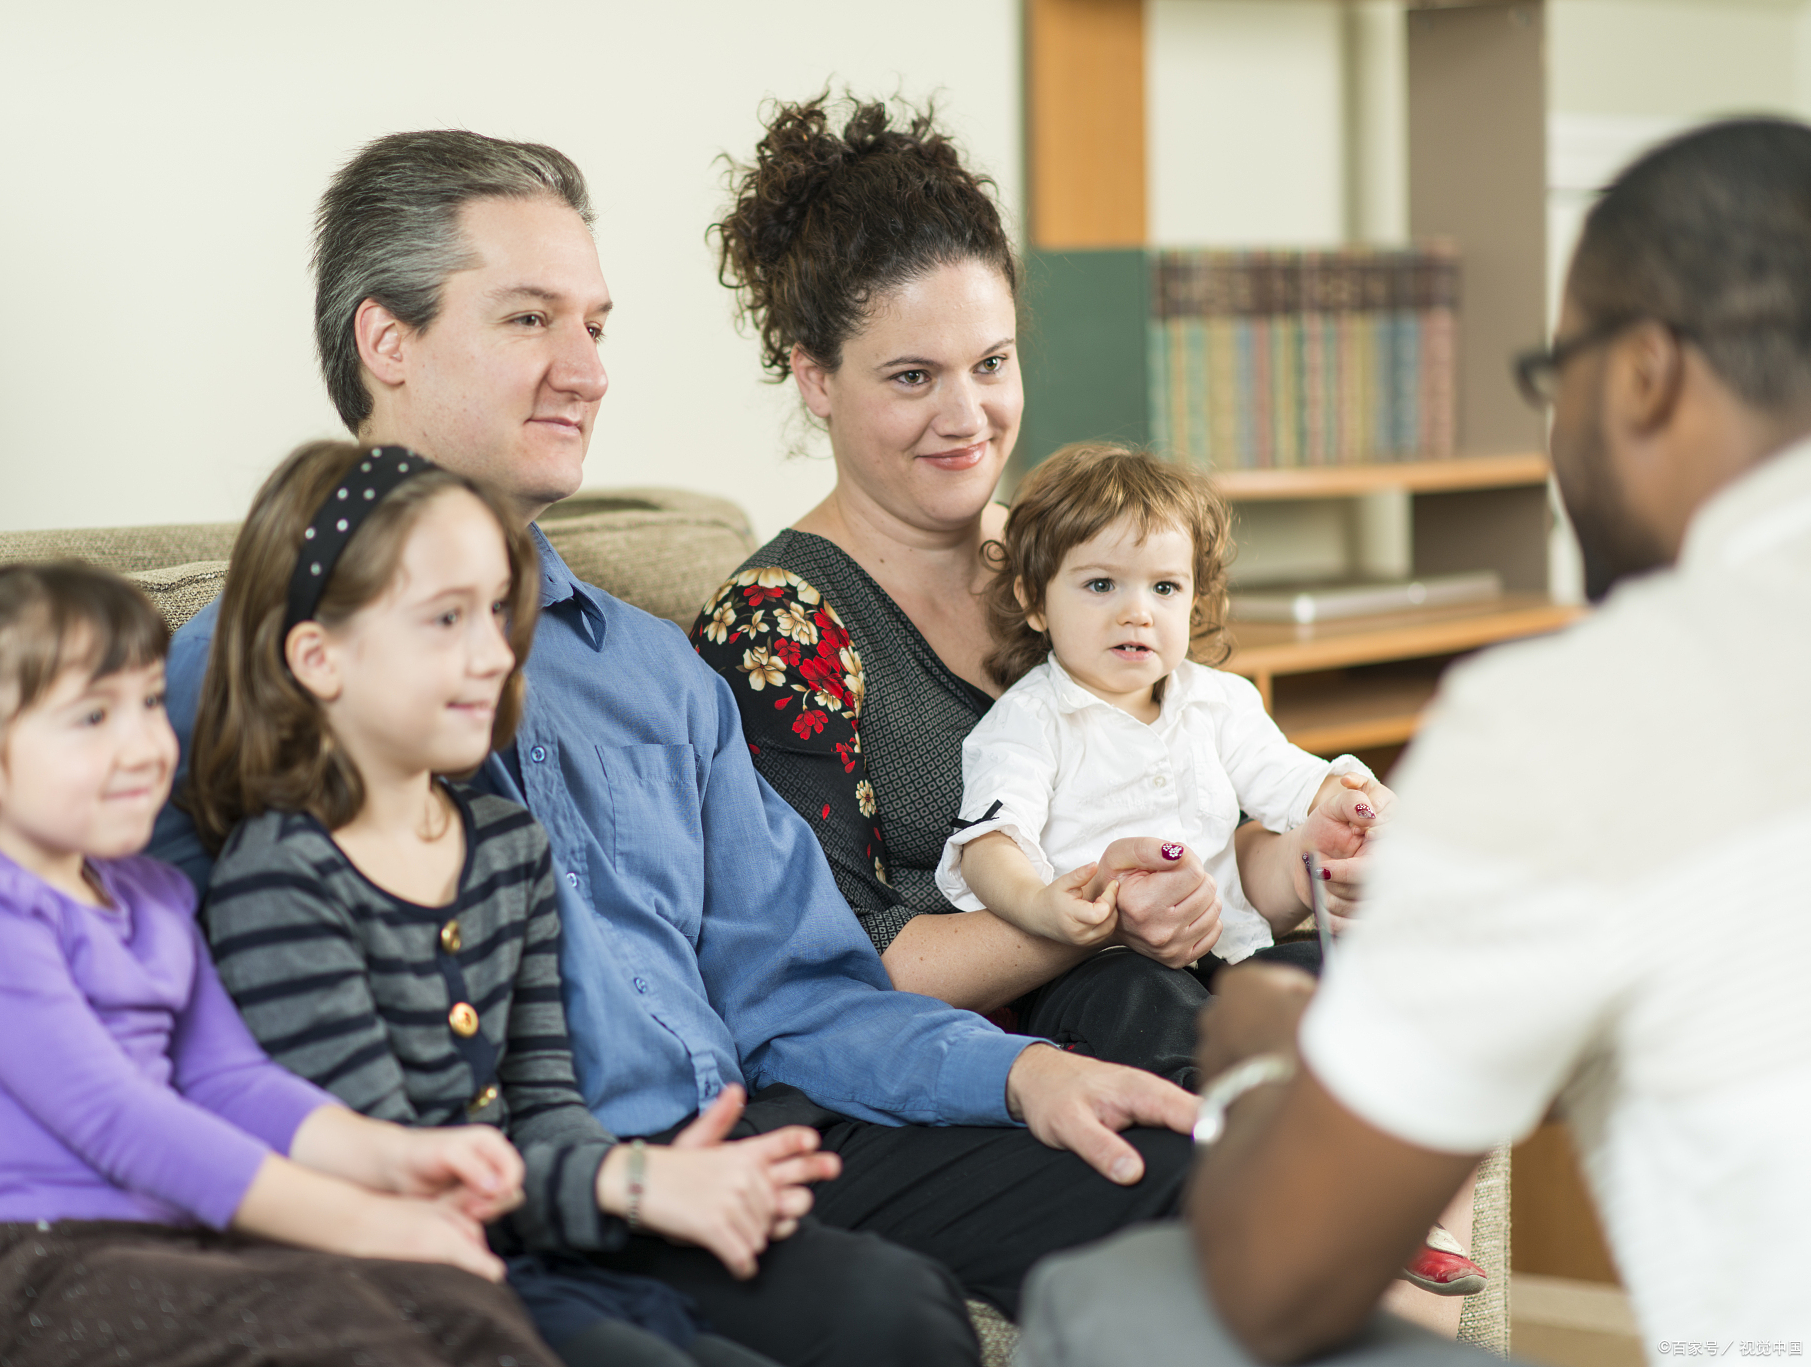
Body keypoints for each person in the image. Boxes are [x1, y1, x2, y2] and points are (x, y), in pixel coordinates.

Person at [150, 127, 1200, 1366]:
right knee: (886, 1317)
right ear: (389, 342)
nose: (585, 369)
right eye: (530, 319)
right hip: (525, 1195)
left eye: (596, 325)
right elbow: (209, 1017)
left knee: (1175, 1163)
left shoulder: (654, 669)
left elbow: (796, 990)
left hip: (755, 1132)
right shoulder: (258, 662)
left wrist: (1021, 1075)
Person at [1016, 117, 1811, 1365]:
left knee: (1112, 1297)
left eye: (1559, 380)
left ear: (1643, 375)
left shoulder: (1578, 711)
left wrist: (1264, 1063)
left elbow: (1282, 1275)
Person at [691, 97, 1350, 1079]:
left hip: (1189, 974)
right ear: (815, 378)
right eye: (912, 376)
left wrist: (1315, 861)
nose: (967, 416)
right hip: (996, 1050)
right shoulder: (777, 629)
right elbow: (838, 959)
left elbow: (1215, 798)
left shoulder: (1081, 561)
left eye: (990, 363)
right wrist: (1102, 914)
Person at [0, 557, 559, 1367]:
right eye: (91, 717)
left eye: (147, 700)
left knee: (459, 1303)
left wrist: (395, 1155)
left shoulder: (153, 893)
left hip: (169, 1242)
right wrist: (367, 1219)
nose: (145, 744)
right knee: (342, 1325)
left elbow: (229, 1081)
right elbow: (118, 1119)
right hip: (15, 1261)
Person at [186, 438, 815, 1367]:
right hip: (392, 1284)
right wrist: (631, 1181)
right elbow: (404, 1163)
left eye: (496, 612)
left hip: (530, 1251)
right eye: (446, 620)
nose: (495, 654)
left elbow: (544, 1105)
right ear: (317, 658)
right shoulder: (279, 880)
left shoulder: (503, 846)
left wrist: (639, 1178)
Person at [937, 442, 1388, 972]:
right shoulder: (1030, 719)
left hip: (1233, 947)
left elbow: (1295, 780)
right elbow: (989, 843)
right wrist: (1041, 907)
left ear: (1194, 603)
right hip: (1105, 964)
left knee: (1332, 975)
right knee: (1139, 1004)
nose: (1138, 612)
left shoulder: (1219, 701)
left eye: (1165, 587)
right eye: (1101, 584)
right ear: (1035, 601)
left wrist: (1362, 806)